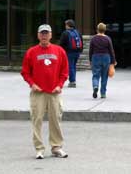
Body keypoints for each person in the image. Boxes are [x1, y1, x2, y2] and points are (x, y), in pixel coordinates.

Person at [20, 24, 69, 160]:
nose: (44, 36)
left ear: (51, 35)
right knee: (37, 120)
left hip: (54, 92)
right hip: (38, 93)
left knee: (56, 120)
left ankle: (57, 147)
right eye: (42, 33)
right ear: (38, 35)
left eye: (46, 33)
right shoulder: (31, 52)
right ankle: (39, 149)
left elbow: (64, 71)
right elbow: (25, 72)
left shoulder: (59, 51)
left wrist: (60, 85)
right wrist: (32, 84)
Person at [89, 23, 116, 99]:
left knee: (95, 75)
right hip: (106, 58)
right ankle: (103, 93)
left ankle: (95, 86)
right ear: (105, 30)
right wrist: (113, 61)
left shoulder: (93, 38)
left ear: (97, 29)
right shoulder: (108, 38)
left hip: (95, 57)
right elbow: (111, 51)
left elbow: (90, 50)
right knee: (104, 76)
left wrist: (90, 60)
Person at [59, 19, 83, 88]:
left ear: (68, 25)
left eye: (66, 25)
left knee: (70, 66)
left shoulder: (65, 33)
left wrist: (60, 52)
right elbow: (81, 41)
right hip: (77, 52)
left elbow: (62, 43)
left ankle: (72, 81)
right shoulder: (78, 32)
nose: (65, 26)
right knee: (73, 66)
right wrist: (80, 51)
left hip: (69, 52)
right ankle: (73, 80)